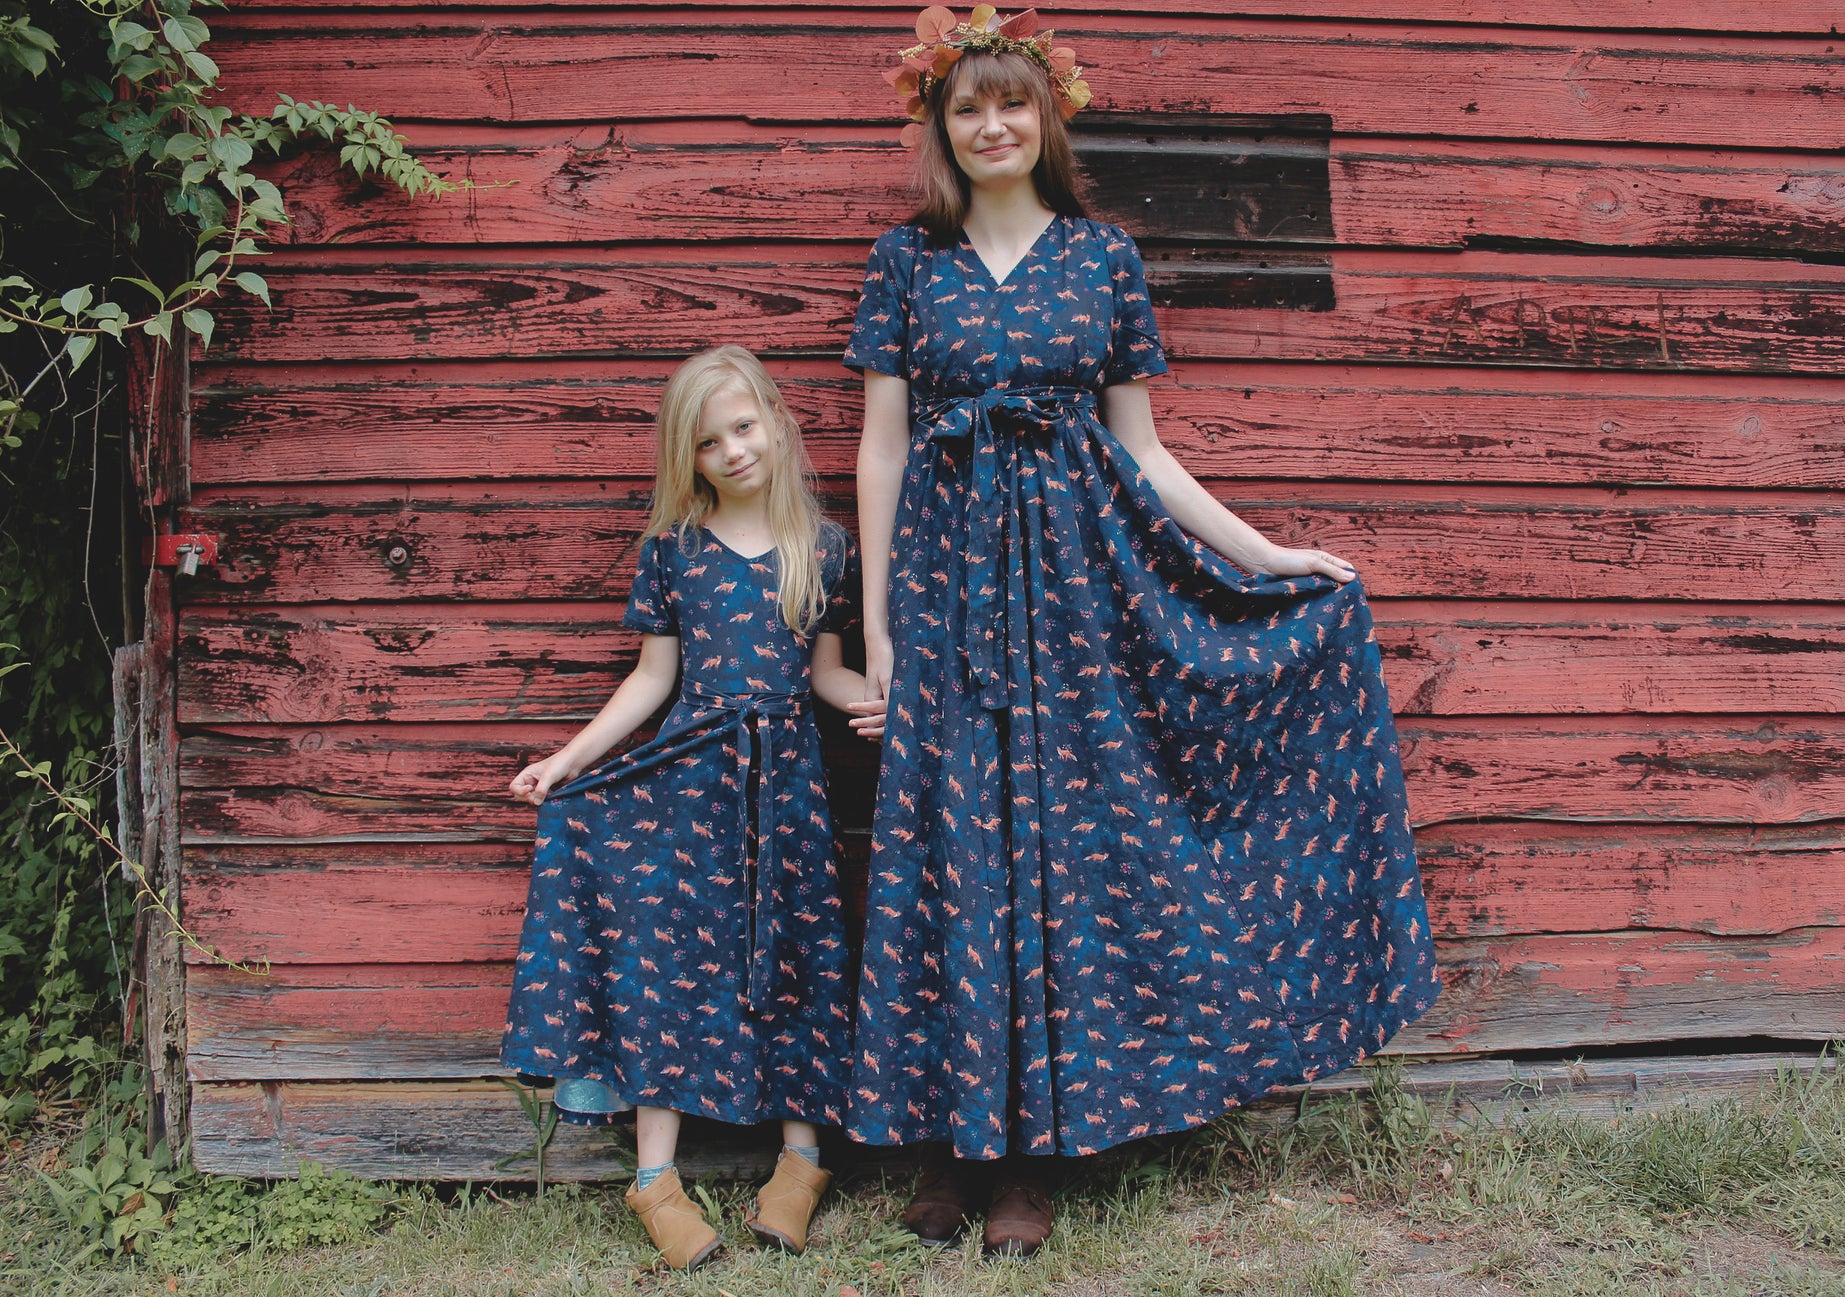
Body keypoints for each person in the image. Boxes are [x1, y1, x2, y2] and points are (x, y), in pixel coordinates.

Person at [845, 7, 1442, 1256]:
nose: (991, 125)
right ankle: (953, 1147)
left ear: (1045, 116)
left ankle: (1039, 1160)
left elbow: (1144, 452)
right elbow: (881, 444)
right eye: (967, 108)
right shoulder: (907, 260)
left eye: (1011, 103)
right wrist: (885, 629)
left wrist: (1267, 554)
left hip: (1078, 595)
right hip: (950, 591)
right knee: (955, 845)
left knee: (1062, 855)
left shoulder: (1102, 258)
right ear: (938, 128)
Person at [500, 345, 886, 1268]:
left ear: (778, 424)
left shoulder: (827, 550)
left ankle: (801, 1165)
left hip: (788, 792)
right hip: (690, 788)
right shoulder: (674, 550)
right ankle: (654, 1181)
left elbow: (824, 672)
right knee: (669, 964)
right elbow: (653, 679)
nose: (734, 450)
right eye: (710, 441)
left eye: (745, 427)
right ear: (691, 456)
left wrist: (878, 702)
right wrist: (565, 759)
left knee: (798, 953)